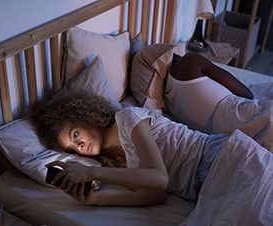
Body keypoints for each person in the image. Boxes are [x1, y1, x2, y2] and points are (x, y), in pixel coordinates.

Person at [29, 91, 228, 207]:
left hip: (213, 157)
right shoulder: (115, 161)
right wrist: (97, 200)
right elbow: (157, 194)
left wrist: (91, 172)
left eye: (75, 135)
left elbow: (160, 178)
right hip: (201, 187)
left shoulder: (127, 118)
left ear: (85, 117)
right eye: (72, 150)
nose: (79, 147)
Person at [166, 52, 273, 151]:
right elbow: (247, 94)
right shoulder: (190, 60)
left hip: (226, 137)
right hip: (242, 114)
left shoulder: (167, 102)